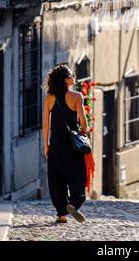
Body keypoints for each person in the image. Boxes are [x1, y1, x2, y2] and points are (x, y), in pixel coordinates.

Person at [43, 64, 88, 224]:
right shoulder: (76, 96)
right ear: (66, 79)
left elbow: (46, 125)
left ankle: (61, 213)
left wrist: (46, 145)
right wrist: (85, 130)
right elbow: (82, 120)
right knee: (77, 174)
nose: (73, 77)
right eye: (71, 75)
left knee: (57, 177)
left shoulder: (49, 98)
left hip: (56, 141)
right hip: (72, 142)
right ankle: (73, 203)